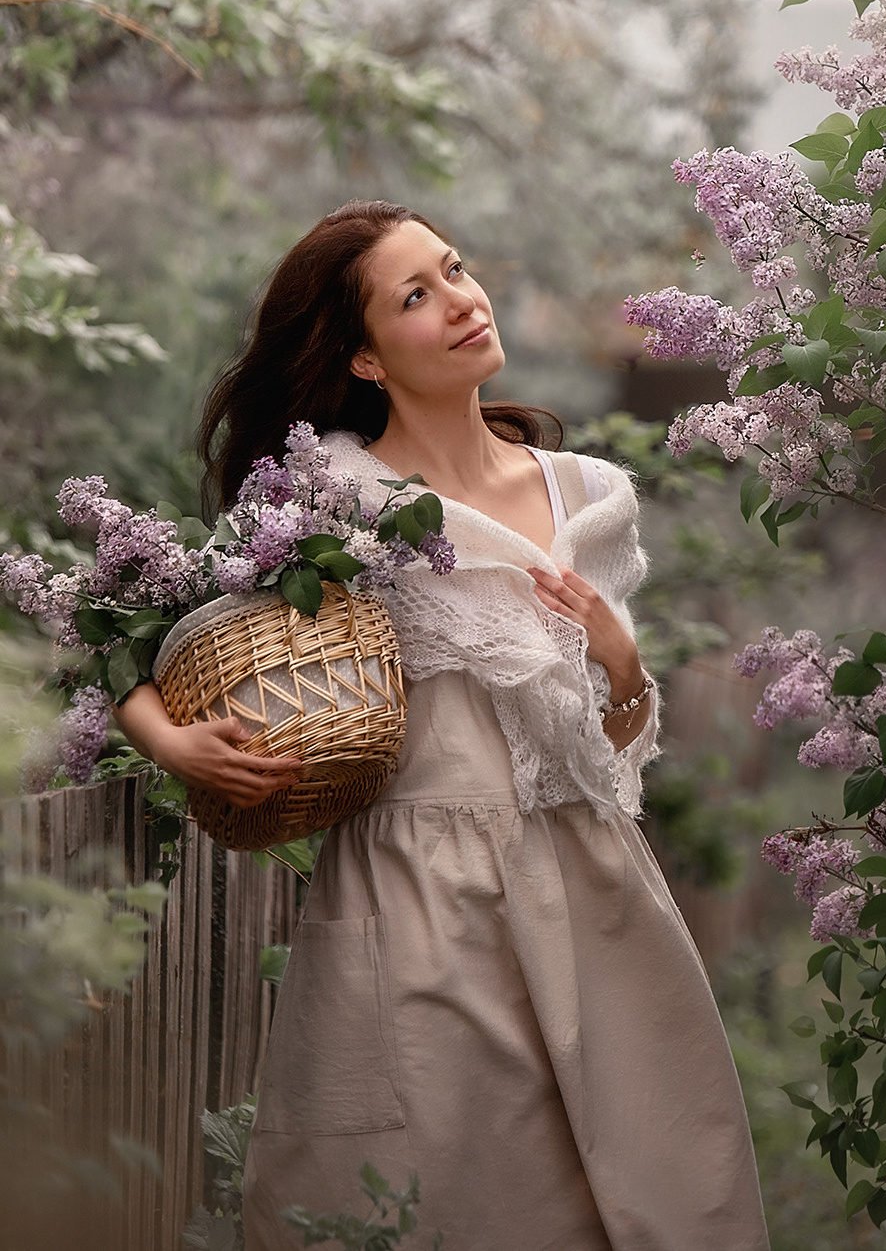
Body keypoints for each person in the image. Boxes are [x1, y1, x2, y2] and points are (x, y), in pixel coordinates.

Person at [117, 201, 770, 1250]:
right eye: (414, 296)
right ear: (365, 358)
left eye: (454, 269)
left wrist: (618, 657)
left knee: (652, 1186)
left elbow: (614, 744)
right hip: (416, 891)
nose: (462, 301)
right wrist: (172, 742)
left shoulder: (588, 496)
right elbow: (136, 633)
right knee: (455, 1198)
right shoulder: (329, 499)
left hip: (592, 879)